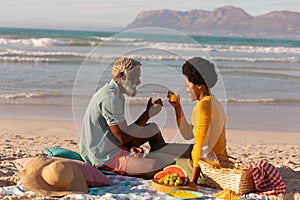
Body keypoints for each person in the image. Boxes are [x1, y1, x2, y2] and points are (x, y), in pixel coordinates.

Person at [80, 57, 192, 179]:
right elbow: (123, 137)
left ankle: (157, 156)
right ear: (122, 76)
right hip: (103, 156)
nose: (138, 82)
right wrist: (147, 114)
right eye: (135, 77)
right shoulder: (110, 98)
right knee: (155, 166)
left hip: (113, 144)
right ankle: (153, 160)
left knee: (152, 129)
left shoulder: (118, 94)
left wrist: (147, 114)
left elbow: (123, 133)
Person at [168, 57, 228, 184]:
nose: (186, 90)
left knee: (160, 159)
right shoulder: (215, 102)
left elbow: (200, 146)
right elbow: (188, 134)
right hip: (216, 161)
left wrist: (193, 182)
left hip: (205, 170)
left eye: (188, 85)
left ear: (199, 86)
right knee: (163, 149)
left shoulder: (203, 107)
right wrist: (177, 107)